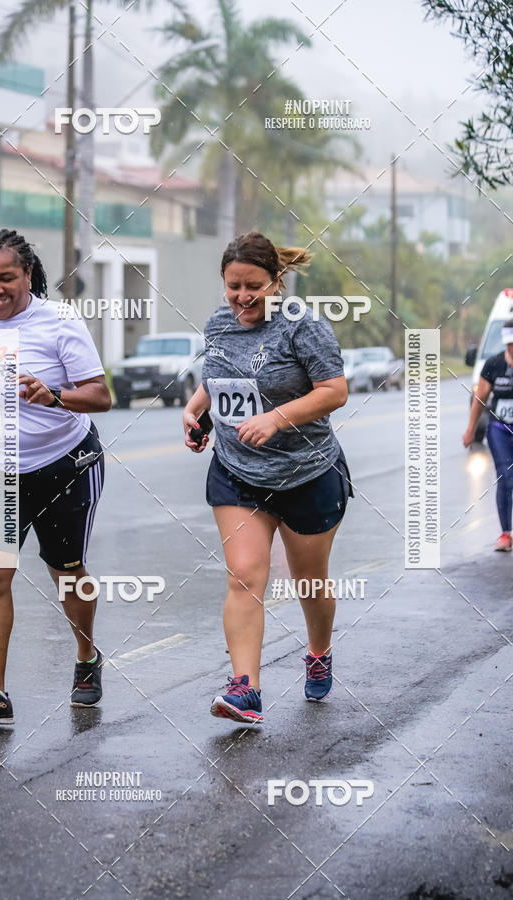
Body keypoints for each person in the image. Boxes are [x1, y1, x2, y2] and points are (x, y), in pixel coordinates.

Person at [183, 231, 352, 725]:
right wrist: (196, 410)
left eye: (253, 286)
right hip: (238, 473)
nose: (242, 297)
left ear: (277, 282)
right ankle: (245, 690)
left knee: (309, 581)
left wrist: (277, 419)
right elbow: (217, 379)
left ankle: (318, 651)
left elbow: (335, 390)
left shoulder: (303, 326)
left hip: (307, 473)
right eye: (233, 286)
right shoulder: (219, 323)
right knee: (244, 577)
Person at [0, 229, 111, 725]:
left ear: (28, 275)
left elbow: (100, 395)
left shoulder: (60, 320)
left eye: (5, 278)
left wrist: (53, 395)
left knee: (66, 572)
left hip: (61, 462)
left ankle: (86, 657)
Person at [463, 319, 513, 552]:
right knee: (505, 476)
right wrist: (471, 429)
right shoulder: (493, 365)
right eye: (509, 344)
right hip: (500, 429)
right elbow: (480, 399)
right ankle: (506, 534)